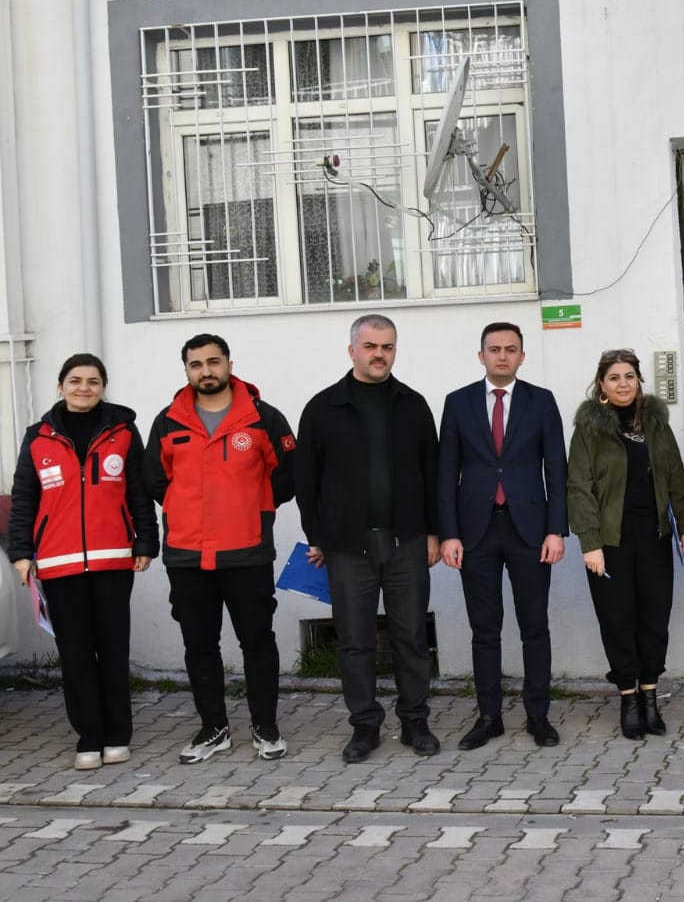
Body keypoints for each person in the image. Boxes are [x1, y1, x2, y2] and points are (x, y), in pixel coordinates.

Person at [295, 314, 441, 763]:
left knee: (411, 636)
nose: (380, 354)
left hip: (407, 543)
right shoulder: (323, 408)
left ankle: (415, 721)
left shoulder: (412, 405)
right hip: (347, 547)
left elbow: (432, 475)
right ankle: (364, 727)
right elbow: (307, 480)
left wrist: (434, 533)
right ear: (352, 350)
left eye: (388, 347)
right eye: (372, 346)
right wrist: (318, 536)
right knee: (355, 641)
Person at [145, 334, 296, 763]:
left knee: (258, 642)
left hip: (246, 553)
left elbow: (287, 475)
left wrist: (252, 507)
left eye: (214, 362)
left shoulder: (263, 417)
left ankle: (265, 727)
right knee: (199, 646)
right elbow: (154, 480)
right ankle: (214, 728)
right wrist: (185, 510)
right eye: (196, 364)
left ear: (229, 363)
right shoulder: (168, 421)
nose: (206, 371)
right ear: (187, 370)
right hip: (187, 556)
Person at [8, 355, 159, 770]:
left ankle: (117, 734)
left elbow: (138, 493)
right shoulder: (37, 437)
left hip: (113, 560)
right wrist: (21, 553)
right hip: (58, 563)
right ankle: (89, 736)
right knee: (74, 654)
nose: (84, 388)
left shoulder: (124, 432)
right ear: (60, 386)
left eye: (93, 381)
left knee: (112, 649)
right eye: (75, 381)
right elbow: (24, 498)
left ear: (103, 386)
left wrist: (146, 541)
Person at [438, 322, 568, 750]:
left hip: (529, 530)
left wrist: (555, 530)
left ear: (522, 356)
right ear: (481, 356)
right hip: (476, 531)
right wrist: (449, 534)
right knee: (485, 630)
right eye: (494, 349)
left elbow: (557, 470)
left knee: (535, 628)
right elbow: (445, 475)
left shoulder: (542, 402)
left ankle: (538, 716)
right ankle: (489, 716)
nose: (502, 356)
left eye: (511, 349)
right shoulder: (457, 403)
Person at [567, 349, 684, 739]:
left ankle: (650, 696)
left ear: (639, 381)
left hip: (653, 537)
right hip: (610, 542)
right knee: (618, 621)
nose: (623, 384)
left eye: (630, 377)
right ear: (601, 386)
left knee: (654, 618)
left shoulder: (655, 424)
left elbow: (676, 479)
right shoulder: (590, 429)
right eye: (614, 378)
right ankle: (628, 698)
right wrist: (589, 541)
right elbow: (578, 487)